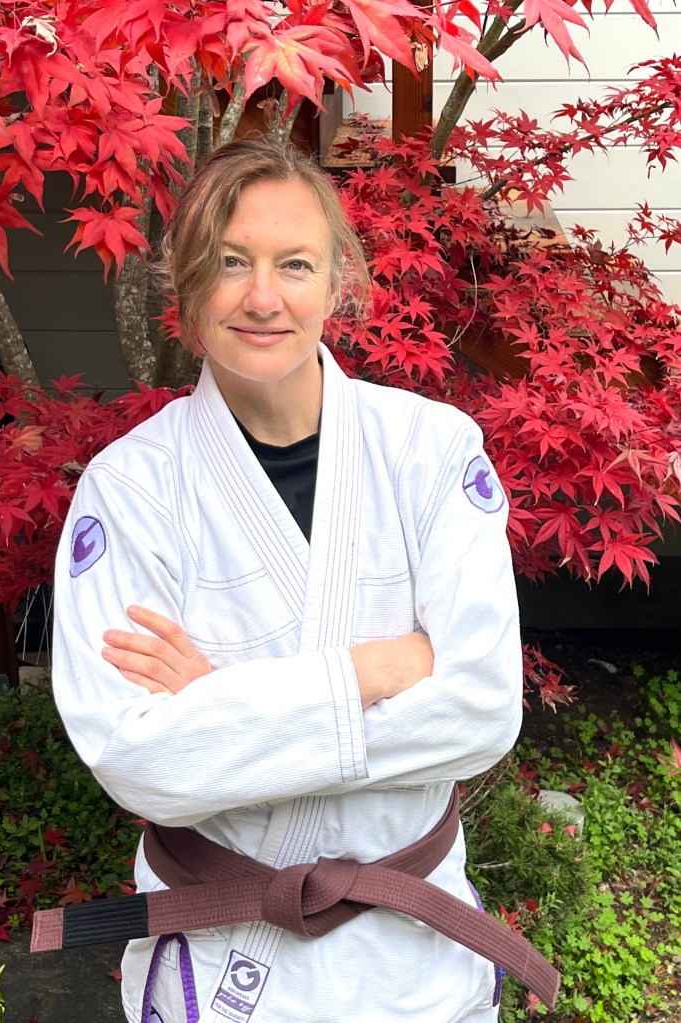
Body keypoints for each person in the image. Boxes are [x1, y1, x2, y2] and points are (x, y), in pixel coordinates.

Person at [51, 138, 539, 1023]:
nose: (263, 296)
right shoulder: (130, 490)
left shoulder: (430, 450)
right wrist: (368, 670)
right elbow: (139, 760)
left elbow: (480, 712)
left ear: (337, 281)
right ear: (185, 282)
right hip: (226, 962)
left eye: (295, 263)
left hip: (413, 957)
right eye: (230, 261)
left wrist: (222, 701)